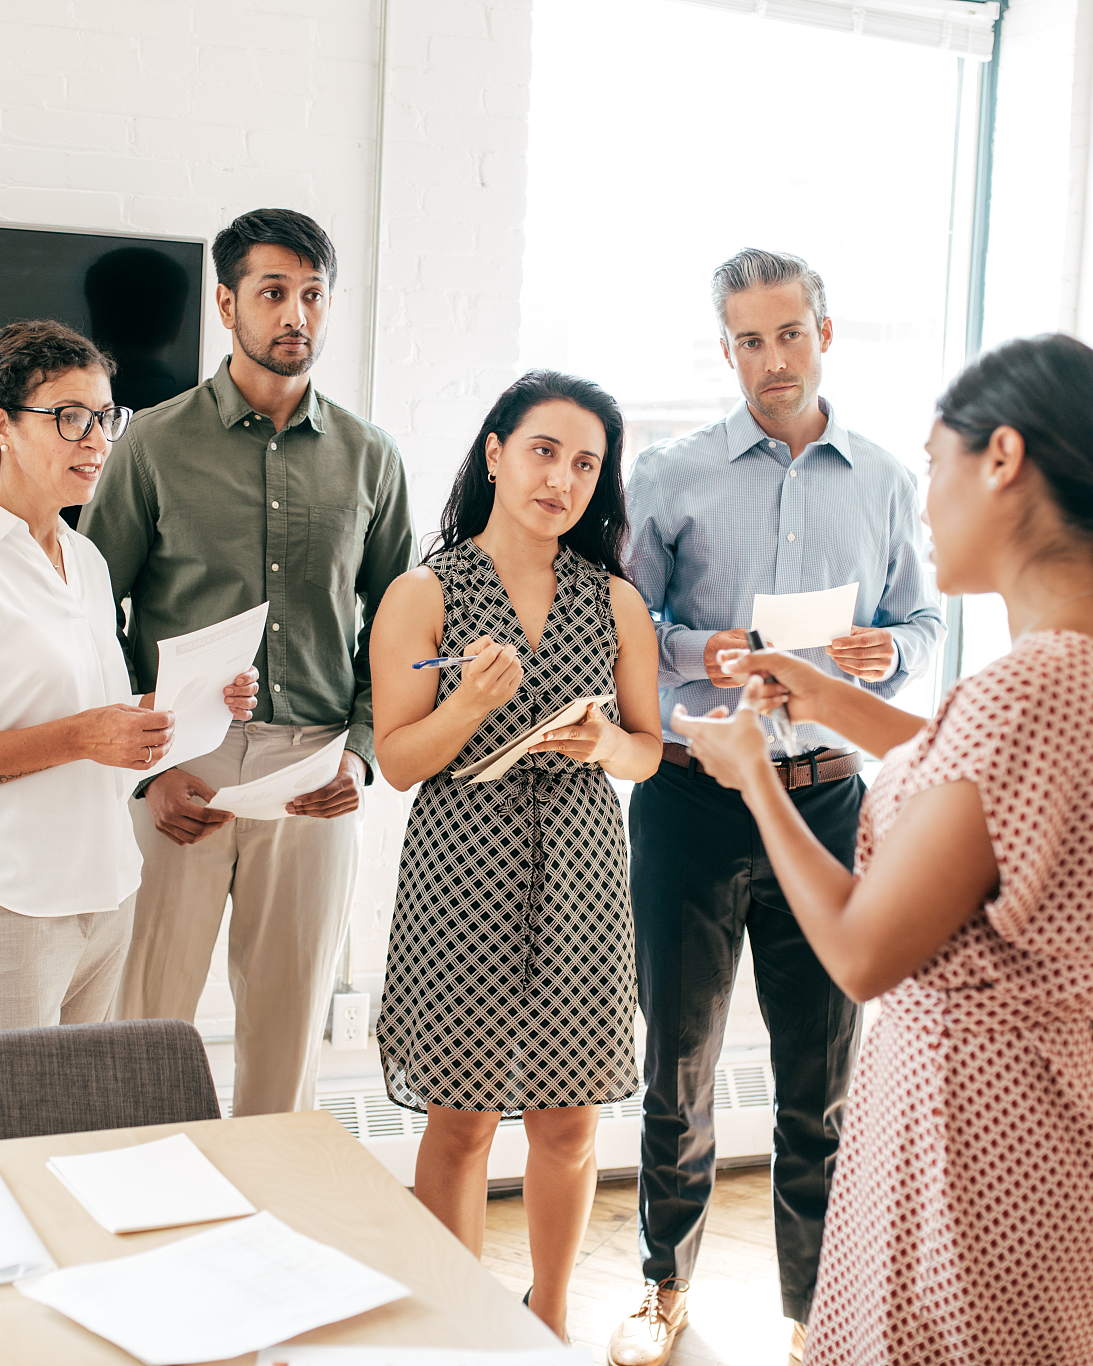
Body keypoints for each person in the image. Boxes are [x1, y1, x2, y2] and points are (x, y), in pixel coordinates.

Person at [672, 333, 1093, 1365]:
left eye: (933, 463)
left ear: (1002, 458)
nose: (923, 500)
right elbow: (1001, 801)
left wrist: (753, 773)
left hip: (974, 1142)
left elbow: (858, 950)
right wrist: (837, 701)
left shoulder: (1021, 693)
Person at [613, 248, 945, 1366]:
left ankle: (814, 1317)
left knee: (821, 1085)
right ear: (723, 350)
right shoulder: (668, 474)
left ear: (824, 334)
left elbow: (925, 625)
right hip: (691, 801)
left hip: (825, 800)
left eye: (787, 333)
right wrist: (688, 648)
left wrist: (885, 649)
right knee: (680, 1068)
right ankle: (661, 1289)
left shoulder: (889, 481)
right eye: (747, 340)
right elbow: (625, 621)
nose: (770, 359)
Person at [79, 208, 414, 1116]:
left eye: (313, 295)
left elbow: (397, 622)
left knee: (288, 1029)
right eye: (273, 292)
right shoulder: (150, 442)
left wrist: (361, 749)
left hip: (314, 767)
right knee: (148, 1023)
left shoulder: (371, 458)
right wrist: (143, 773)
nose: (295, 313)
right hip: (179, 764)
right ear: (227, 305)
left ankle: (271, 1229)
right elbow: (84, 613)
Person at [370, 371, 663, 1343]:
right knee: (457, 1122)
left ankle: (549, 1315)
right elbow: (399, 760)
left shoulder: (613, 600)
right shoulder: (423, 592)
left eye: (585, 463)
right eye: (543, 450)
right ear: (494, 453)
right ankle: (458, 1331)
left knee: (567, 1123)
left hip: (580, 878)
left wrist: (603, 747)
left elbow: (646, 748)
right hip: (460, 878)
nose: (562, 478)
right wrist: (464, 706)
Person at [0, 321, 255, 1033]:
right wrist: (83, 736)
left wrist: (186, 702)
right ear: (1, 427)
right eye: (71, 417)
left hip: (101, 889)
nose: (98, 440)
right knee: (3, 1133)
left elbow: (93, 720)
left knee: (72, 1132)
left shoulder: (86, 560)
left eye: (106, 417)